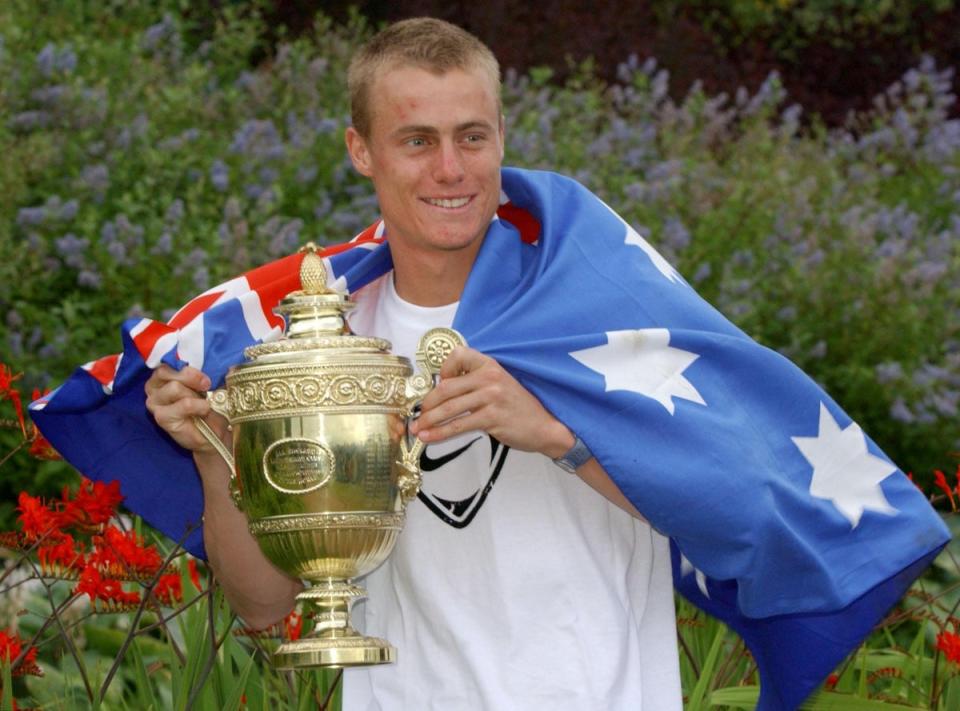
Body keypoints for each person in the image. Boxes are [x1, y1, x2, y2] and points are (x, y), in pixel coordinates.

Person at [144, 17, 683, 711]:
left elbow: (717, 506)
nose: (450, 169)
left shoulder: (597, 303)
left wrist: (558, 436)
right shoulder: (327, 341)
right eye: (417, 141)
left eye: (471, 136)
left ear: (501, 137)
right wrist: (215, 451)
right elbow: (263, 604)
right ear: (361, 150)